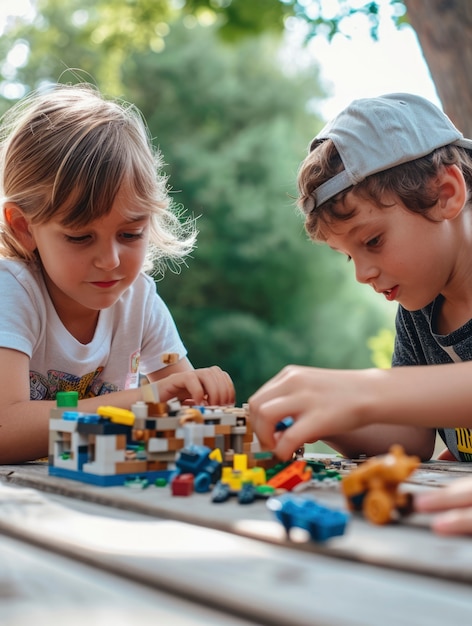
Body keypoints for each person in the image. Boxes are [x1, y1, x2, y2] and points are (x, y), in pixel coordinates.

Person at [248, 92, 472, 532]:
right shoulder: (420, 308)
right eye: (348, 256)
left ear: (446, 194)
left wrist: (362, 391)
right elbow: (412, 439)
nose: (363, 274)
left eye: (372, 242)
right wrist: (321, 415)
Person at [0, 83, 234, 465]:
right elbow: (4, 430)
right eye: (80, 237)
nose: (110, 260)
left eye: (130, 234)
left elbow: (187, 411)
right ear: (24, 227)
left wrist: (207, 402)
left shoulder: (139, 300)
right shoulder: (11, 291)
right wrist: (148, 399)